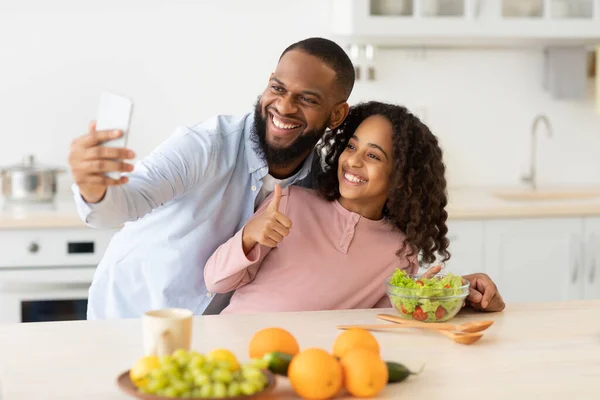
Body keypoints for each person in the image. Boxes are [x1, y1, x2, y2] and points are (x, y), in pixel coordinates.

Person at [68, 37, 355, 319]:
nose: (284, 106)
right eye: (277, 88)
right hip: (129, 316)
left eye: (307, 99)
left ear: (337, 114)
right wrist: (93, 189)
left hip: (210, 336)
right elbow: (126, 205)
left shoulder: (321, 184)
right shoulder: (204, 145)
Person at [204, 102, 506, 314]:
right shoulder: (292, 203)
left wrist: (458, 292)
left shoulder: (399, 250)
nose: (354, 161)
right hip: (236, 344)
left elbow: (381, 322)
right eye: (351, 146)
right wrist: (248, 236)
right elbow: (216, 281)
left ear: (401, 176)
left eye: (373, 156)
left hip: (308, 368)